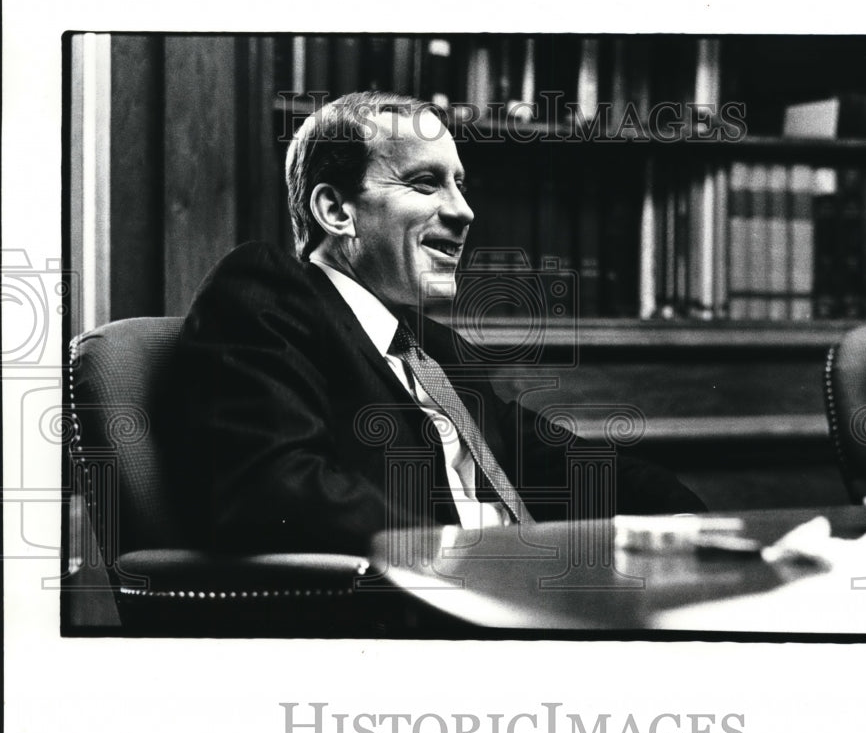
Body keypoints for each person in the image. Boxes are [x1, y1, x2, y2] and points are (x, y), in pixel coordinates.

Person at [171, 91, 704, 555]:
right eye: (425, 183)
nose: (465, 211)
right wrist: (470, 560)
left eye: (460, 184)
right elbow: (276, 489)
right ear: (336, 211)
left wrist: (693, 521)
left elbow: (559, 461)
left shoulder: (435, 349)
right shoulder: (264, 298)